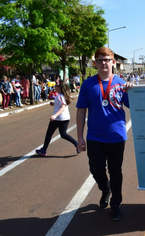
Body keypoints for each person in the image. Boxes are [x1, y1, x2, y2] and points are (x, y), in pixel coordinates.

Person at [76, 47, 132, 221]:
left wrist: (133, 91)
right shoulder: (88, 84)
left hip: (116, 136)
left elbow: (138, 106)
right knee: (96, 168)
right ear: (95, 63)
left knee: (116, 171)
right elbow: (80, 111)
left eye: (106, 59)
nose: (103, 63)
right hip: (95, 137)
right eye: (99, 60)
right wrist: (79, 137)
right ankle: (105, 188)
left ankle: (116, 205)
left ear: (113, 62)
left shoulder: (122, 84)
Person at [36, 80, 79, 157]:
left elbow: (63, 107)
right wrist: (54, 104)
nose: (55, 87)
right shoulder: (63, 95)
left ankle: (43, 150)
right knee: (63, 134)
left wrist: (55, 115)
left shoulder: (59, 96)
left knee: (49, 134)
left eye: (57, 86)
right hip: (65, 118)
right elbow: (61, 104)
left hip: (58, 118)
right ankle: (76, 144)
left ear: (60, 87)